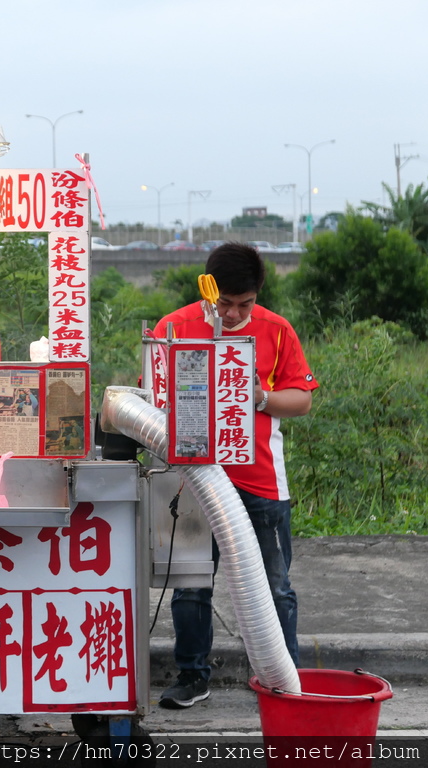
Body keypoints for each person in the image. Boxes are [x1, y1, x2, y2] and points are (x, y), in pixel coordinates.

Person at [152, 242, 318, 709]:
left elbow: (302, 399)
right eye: (223, 303)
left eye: (243, 305)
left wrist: (259, 397)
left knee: (273, 584)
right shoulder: (176, 327)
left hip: (261, 480)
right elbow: (151, 397)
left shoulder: (277, 331)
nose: (231, 313)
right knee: (190, 580)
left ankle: (284, 679)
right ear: (208, 289)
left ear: (257, 296)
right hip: (193, 479)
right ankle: (192, 676)